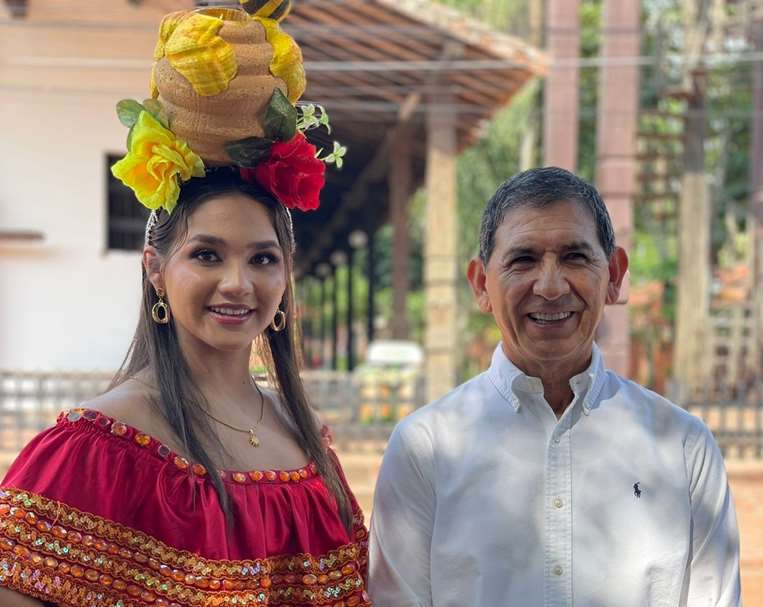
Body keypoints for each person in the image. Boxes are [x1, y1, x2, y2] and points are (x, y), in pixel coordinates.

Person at [0, 5, 370, 607]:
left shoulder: (308, 447)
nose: (237, 283)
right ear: (155, 270)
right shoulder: (91, 453)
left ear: (285, 276)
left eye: (262, 258)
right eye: (206, 255)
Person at [368, 167, 741, 606]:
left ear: (615, 275)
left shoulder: (683, 447)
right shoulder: (425, 448)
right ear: (481, 284)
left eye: (575, 257)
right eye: (523, 259)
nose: (549, 286)